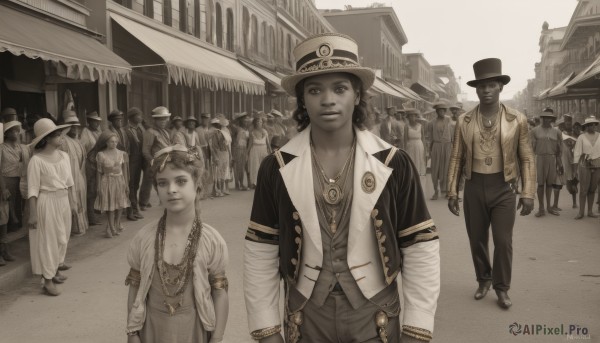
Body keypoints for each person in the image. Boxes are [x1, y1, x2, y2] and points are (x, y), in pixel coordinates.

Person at [244, 33, 440, 343]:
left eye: (340, 88)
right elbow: (261, 249)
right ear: (302, 100)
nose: (327, 99)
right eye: (314, 90)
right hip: (305, 317)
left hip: (374, 316)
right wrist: (267, 331)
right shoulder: (276, 168)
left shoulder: (394, 163)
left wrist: (417, 328)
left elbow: (419, 244)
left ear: (358, 95)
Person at [447, 58, 535, 309]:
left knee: (503, 240)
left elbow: (526, 156)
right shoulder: (464, 120)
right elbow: (456, 156)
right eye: (481, 86)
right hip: (474, 186)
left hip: (503, 187)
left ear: (500, 87)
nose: (486, 90)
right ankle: (483, 279)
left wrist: (528, 192)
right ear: (476, 89)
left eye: (491, 85)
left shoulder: (517, 120)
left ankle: (502, 288)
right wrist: (452, 190)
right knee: (476, 239)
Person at [124, 145, 229, 343]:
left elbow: (220, 293)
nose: (171, 190)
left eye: (181, 181)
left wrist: (216, 338)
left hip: (194, 331)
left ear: (197, 183)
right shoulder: (144, 238)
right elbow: (134, 288)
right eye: (162, 183)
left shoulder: (211, 240)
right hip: (152, 331)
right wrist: (132, 332)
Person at [27, 118, 74, 296]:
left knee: (63, 237)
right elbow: (32, 189)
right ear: (46, 139)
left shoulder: (65, 157)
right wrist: (33, 214)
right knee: (48, 241)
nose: (62, 138)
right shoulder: (36, 161)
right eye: (57, 135)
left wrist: (73, 202)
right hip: (46, 201)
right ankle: (46, 280)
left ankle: (54, 271)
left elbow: (69, 182)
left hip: (63, 200)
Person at [91, 131, 130, 237]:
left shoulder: (122, 154)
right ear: (106, 142)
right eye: (111, 142)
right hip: (107, 181)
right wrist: (98, 185)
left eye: (116, 141)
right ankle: (111, 226)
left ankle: (116, 223)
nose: (114, 144)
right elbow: (99, 172)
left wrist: (126, 184)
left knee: (120, 203)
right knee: (110, 205)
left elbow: (125, 170)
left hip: (119, 180)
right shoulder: (101, 155)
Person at [530, 108, 563, 217]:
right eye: (544, 117)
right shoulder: (534, 131)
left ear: (552, 119)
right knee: (540, 184)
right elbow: (530, 148)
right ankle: (541, 208)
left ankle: (549, 207)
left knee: (550, 184)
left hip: (552, 159)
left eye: (549, 117)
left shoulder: (557, 132)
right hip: (539, 158)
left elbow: (559, 150)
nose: (546, 119)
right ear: (541, 118)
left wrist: (560, 163)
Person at [60, 113, 88, 236]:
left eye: (77, 127)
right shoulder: (63, 141)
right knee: (71, 200)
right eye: (72, 127)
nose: (75, 129)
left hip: (80, 175)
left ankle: (80, 226)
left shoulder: (77, 141)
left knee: (80, 197)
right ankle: (71, 228)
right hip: (68, 176)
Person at [141, 106, 173, 209]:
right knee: (148, 181)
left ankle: (163, 202)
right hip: (153, 162)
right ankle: (143, 203)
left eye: (164, 119)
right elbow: (145, 150)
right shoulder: (150, 132)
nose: (163, 121)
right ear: (155, 120)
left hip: (164, 161)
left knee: (162, 182)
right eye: (160, 119)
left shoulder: (165, 131)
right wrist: (151, 161)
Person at [0, 121, 27, 231]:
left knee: (17, 203)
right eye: (14, 131)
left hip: (18, 179)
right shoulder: (2, 148)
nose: (17, 133)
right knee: (7, 204)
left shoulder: (19, 148)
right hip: (6, 179)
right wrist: (3, 187)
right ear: (7, 133)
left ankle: (17, 227)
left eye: (18, 131)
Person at [573, 116, 600, 219]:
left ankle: (590, 211)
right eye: (590, 125)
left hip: (597, 164)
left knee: (592, 189)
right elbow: (577, 153)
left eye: (594, 124)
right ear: (587, 126)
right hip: (584, 164)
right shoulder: (581, 137)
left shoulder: (599, 136)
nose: (593, 126)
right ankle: (581, 212)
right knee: (584, 189)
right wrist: (575, 169)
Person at [426, 100, 453, 200]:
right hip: (436, 147)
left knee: (446, 169)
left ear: (445, 111)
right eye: (439, 110)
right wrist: (429, 151)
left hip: (447, 146)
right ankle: (435, 191)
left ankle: (446, 191)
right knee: (435, 169)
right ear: (436, 111)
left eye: (443, 110)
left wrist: (453, 147)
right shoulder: (431, 123)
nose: (442, 112)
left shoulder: (449, 120)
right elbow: (430, 138)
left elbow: (453, 135)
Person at [126, 108, 145, 221]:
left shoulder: (140, 129)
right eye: (139, 116)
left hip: (138, 161)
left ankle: (133, 207)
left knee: (136, 185)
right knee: (130, 185)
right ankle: (132, 210)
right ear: (132, 117)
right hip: (130, 161)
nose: (141, 117)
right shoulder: (126, 130)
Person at [246, 116, 270, 190]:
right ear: (255, 123)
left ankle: (264, 183)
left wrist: (271, 151)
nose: (259, 123)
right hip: (255, 150)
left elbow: (268, 143)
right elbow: (250, 144)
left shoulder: (265, 131)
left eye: (260, 122)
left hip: (264, 149)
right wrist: (246, 153)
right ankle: (255, 183)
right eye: (257, 122)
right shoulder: (252, 132)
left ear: (262, 123)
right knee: (255, 167)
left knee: (264, 166)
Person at [403, 109, 427, 176]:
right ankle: (412, 173)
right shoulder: (406, 126)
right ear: (408, 117)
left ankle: (419, 172)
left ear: (416, 117)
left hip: (419, 144)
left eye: (414, 116)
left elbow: (423, 138)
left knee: (419, 158)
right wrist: (404, 150)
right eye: (410, 116)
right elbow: (405, 139)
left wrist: (425, 148)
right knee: (411, 158)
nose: (412, 118)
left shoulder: (420, 126)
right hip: (410, 145)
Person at [231, 112, 250, 191]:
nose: (246, 122)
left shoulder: (247, 129)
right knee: (238, 167)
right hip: (237, 148)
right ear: (240, 121)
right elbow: (232, 139)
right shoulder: (236, 128)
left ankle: (241, 183)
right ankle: (238, 184)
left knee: (243, 166)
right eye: (244, 120)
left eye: (246, 120)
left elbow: (248, 140)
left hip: (244, 148)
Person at [561, 134, 579, 208]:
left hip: (571, 170)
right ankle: (574, 202)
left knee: (571, 186)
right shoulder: (562, 147)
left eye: (570, 141)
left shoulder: (570, 149)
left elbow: (573, 161)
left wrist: (574, 171)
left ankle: (574, 203)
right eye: (567, 141)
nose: (569, 142)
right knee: (569, 187)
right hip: (566, 169)